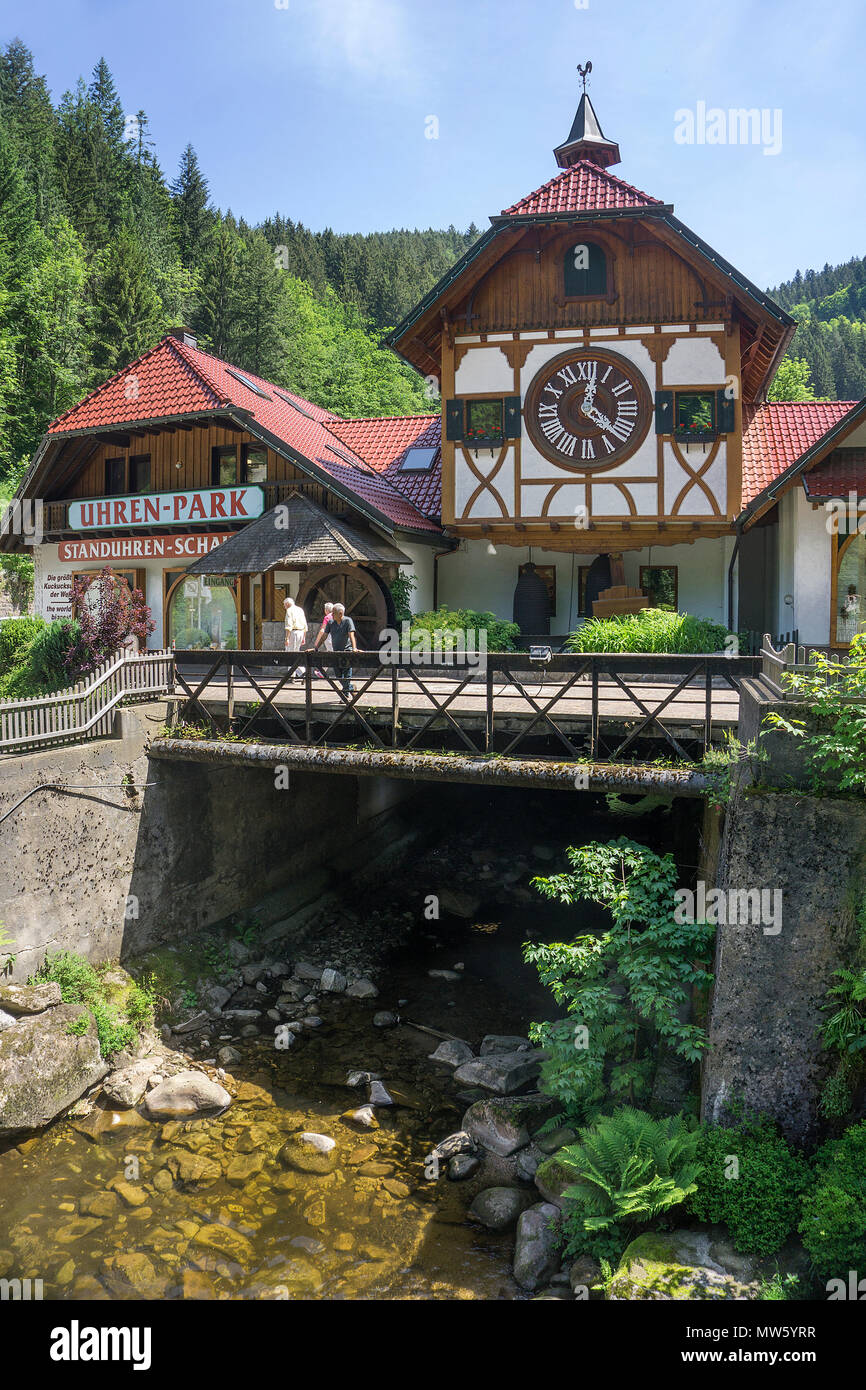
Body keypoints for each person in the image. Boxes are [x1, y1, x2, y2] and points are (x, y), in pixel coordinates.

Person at [310, 600, 357, 692]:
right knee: (338, 675)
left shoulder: (348, 621)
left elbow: (351, 635)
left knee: (346, 674)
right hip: (335, 652)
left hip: (346, 651)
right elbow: (324, 636)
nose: (332, 615)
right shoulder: (331, 622)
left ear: (340, 613)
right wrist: (316, 647)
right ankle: (350, 688)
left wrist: (354, 648)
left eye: (333, 613)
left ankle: (345, 695)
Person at [283, 594, 308, 677]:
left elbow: (289, 625)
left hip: (293, 633)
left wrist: (287, 638)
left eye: (284, 605)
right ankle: (294, 674)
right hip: (301, 632)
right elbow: (305, 623)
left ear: (287, 604)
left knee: (290, 654)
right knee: (296, 653)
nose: (284, 607)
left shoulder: (289, 610)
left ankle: (298, 672)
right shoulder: (300, 609)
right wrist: (304, 636)